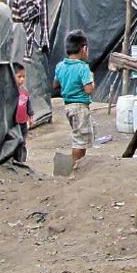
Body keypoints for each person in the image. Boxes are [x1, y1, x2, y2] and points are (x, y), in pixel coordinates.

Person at [53, 30, 95, 169]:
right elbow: (89, 90)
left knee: (80, 136)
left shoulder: (60, 66)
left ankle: (79, 164)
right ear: (84, 49)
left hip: (68, 106)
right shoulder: (83, 67)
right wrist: (92, 79)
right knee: (79, 140)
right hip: (80, 107)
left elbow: (55, 85)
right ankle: (75, 166)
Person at [13, 62, 34, 163]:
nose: (22, 79)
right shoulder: (11, 91)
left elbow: (28, 104)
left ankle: (21, 160)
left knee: (23, 142)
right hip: (14, 124)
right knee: (15, 141)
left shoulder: (25, 91)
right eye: (19, 76)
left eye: (23, 77)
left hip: (23, 123)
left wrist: (31, 116)